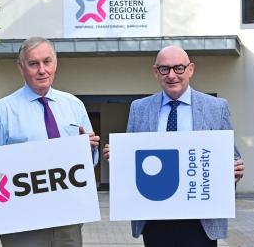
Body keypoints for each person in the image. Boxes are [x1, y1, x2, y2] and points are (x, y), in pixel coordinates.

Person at [103, 45, 244, 247]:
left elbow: (231, 157)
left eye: (178, 68)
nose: (172, 75)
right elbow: (132, 162)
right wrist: (118, 157)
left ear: (190, 69)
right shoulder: (139, 109)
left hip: (200, 220)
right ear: (155, 72)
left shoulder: (216, 107)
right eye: (164, 69)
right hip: (155, 218)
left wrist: (235, 170)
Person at [0, 37, 100, 247]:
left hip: (68, 219)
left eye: (47, 62)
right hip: (23, 221)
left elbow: (89, 162)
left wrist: (89, 149)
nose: (42, 70)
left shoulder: (74, 105)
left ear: (55, 64)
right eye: (33, 64)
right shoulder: (4, 110)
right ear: (21, 68)